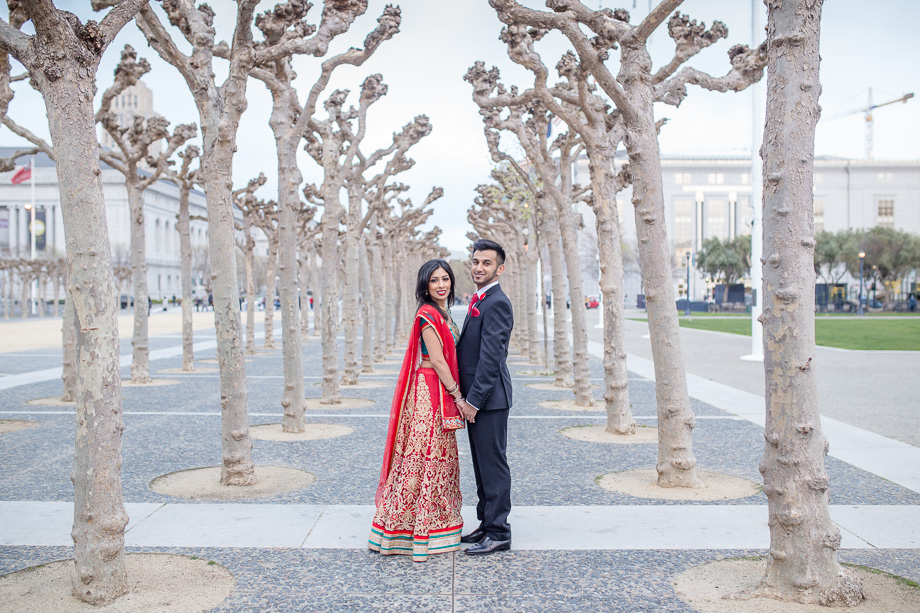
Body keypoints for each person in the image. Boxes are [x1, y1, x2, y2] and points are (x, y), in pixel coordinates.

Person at [369, 259, 466, 561]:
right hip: (429, 391)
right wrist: (458, 396)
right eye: (434, 280)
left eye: (445, 279)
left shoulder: (444, 313)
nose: (441, 285)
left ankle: (433, 525)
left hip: (436, 388)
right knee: (423, 456)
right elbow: (437, 360)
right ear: (425, 285)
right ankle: (412, 530)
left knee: (437, 456)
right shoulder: (427, 314)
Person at [456, 239, 514, 556]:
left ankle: (500, 532)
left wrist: (473, 401)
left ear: (499, 268)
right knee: (481, 467)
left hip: (489, 401)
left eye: (487, 263)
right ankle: (485, 525)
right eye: (476, 261)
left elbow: (491, 359)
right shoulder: (480, 299)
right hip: (479, 400)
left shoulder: (497, 303)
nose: (479, 267)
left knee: (493, 467)